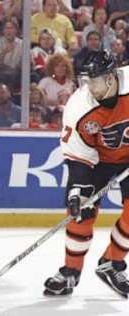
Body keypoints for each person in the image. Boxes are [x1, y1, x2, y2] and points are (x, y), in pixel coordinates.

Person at [43, 50, 129, 298]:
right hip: (96, 160)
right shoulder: (79, 107)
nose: (91, 87)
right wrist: (77, 191)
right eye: (87, 80)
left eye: (96, 80)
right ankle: (71, 271)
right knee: (81, 212)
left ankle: (112, 263)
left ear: (112, 77)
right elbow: (79, 160)